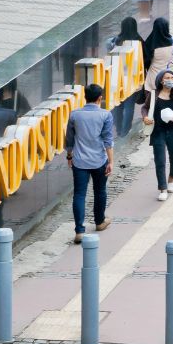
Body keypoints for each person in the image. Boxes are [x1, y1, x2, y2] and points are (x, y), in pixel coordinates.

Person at [64, 82, 114, 244]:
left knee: (79, 194)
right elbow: (108, 140)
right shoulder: (105, 115)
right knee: (100, 191)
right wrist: (111, 161)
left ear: (85, 97)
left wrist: (70, 156)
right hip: (99, 159)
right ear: (100, 98)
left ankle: (79, 230)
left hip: (79, 160)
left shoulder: (75, 115)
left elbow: (69, 140)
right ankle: (99, 222)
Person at [144, 72, 173, 201]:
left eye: (172, 78)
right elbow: (144, 108)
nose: (170, 80)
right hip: (158, 131)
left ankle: (171, 180)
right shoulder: (154, 95)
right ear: (161, 81)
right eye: (167, 78)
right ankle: (162, 188)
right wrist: (145, 117)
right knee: (160, 160)